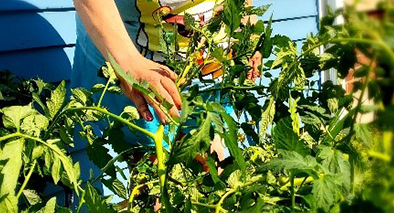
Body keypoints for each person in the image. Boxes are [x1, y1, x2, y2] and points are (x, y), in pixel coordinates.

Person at [71, 0, 261, 180]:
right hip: (129, 55)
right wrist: (127, 63)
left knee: (208, 161)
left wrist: (249, 30)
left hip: (205, 62)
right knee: (151, 172)